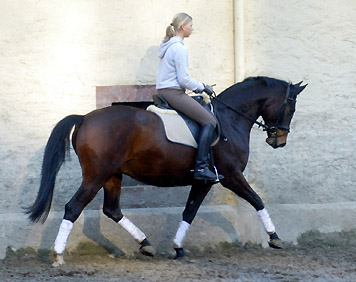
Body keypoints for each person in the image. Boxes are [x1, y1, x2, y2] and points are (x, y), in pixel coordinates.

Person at [156, 12, 223, 182]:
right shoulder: (179, 48)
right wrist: (202, 88)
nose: (193, 29)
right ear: (183, 27)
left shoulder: (170, 46)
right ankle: (201, 167)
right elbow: (184, 79)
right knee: (210, 121)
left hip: (166, 91)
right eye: (191, 25)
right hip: (173, 92)